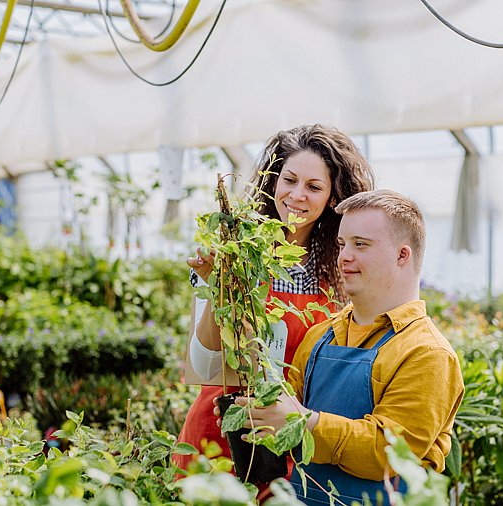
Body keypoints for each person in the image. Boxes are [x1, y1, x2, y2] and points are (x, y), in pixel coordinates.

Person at [220, 190, 464, 504]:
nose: (344, 256)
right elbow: (287, 418)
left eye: (360, 244)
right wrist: (256, 417)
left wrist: (301, 422)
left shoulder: (427, 353)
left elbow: (387, 452)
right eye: (342, 244)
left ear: (403, 255)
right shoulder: (322, 335)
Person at [174, 124, 375, 475]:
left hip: (289, 447)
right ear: (273, 183)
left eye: (314, 187)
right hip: (217, 436)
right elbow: (205, 367)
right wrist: (221, 285)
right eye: (290, 180)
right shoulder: (234, 253)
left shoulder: (340, 276)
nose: (297, 195)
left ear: (332, 198)